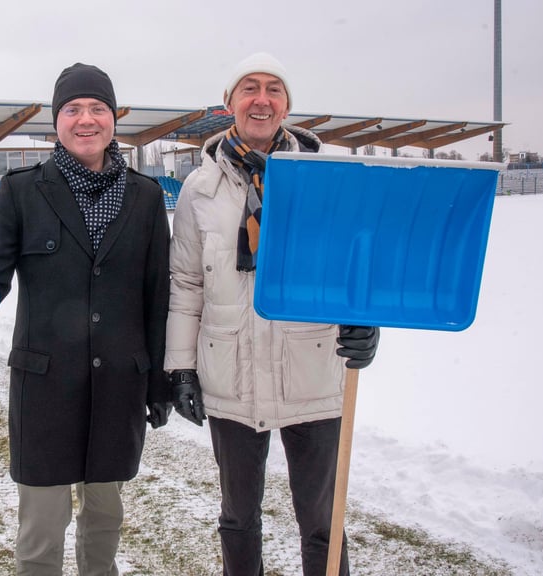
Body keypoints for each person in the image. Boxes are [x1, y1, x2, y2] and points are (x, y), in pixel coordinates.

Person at [0, 63, 172, 575]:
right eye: (73, 109)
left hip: (118, 387)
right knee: (41, 531)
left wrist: (158, 384)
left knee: (104, 520)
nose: (86, 119)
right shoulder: (23, 191)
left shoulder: (145, 196)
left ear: (114, 119)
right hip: (45, 388)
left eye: (98, 108)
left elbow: (157, 295)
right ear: (57, 123)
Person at [164, 52, 380, 576]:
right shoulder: (199, 189)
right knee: (239, 517)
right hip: (229, 371)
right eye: (249, 88)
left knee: (322, 518)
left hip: (313, 368)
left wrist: (365, 325)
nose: (262, 99)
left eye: (274, 89)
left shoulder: (329, 178)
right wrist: (181, 367)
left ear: (287, 104)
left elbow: (355, 269)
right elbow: (188, 282)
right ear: (229, 103)